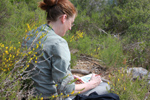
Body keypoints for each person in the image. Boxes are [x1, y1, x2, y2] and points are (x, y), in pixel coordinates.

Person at [22, 0, 110, 99]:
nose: (70, 28)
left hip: (29, 95)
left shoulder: (30, 35)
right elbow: (67, 89)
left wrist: (69, 77)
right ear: (64, 18)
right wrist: (92, 84)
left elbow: (42, 70)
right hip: (50, 97)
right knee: (105, 86)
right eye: (71, 23)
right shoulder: (58, 43)